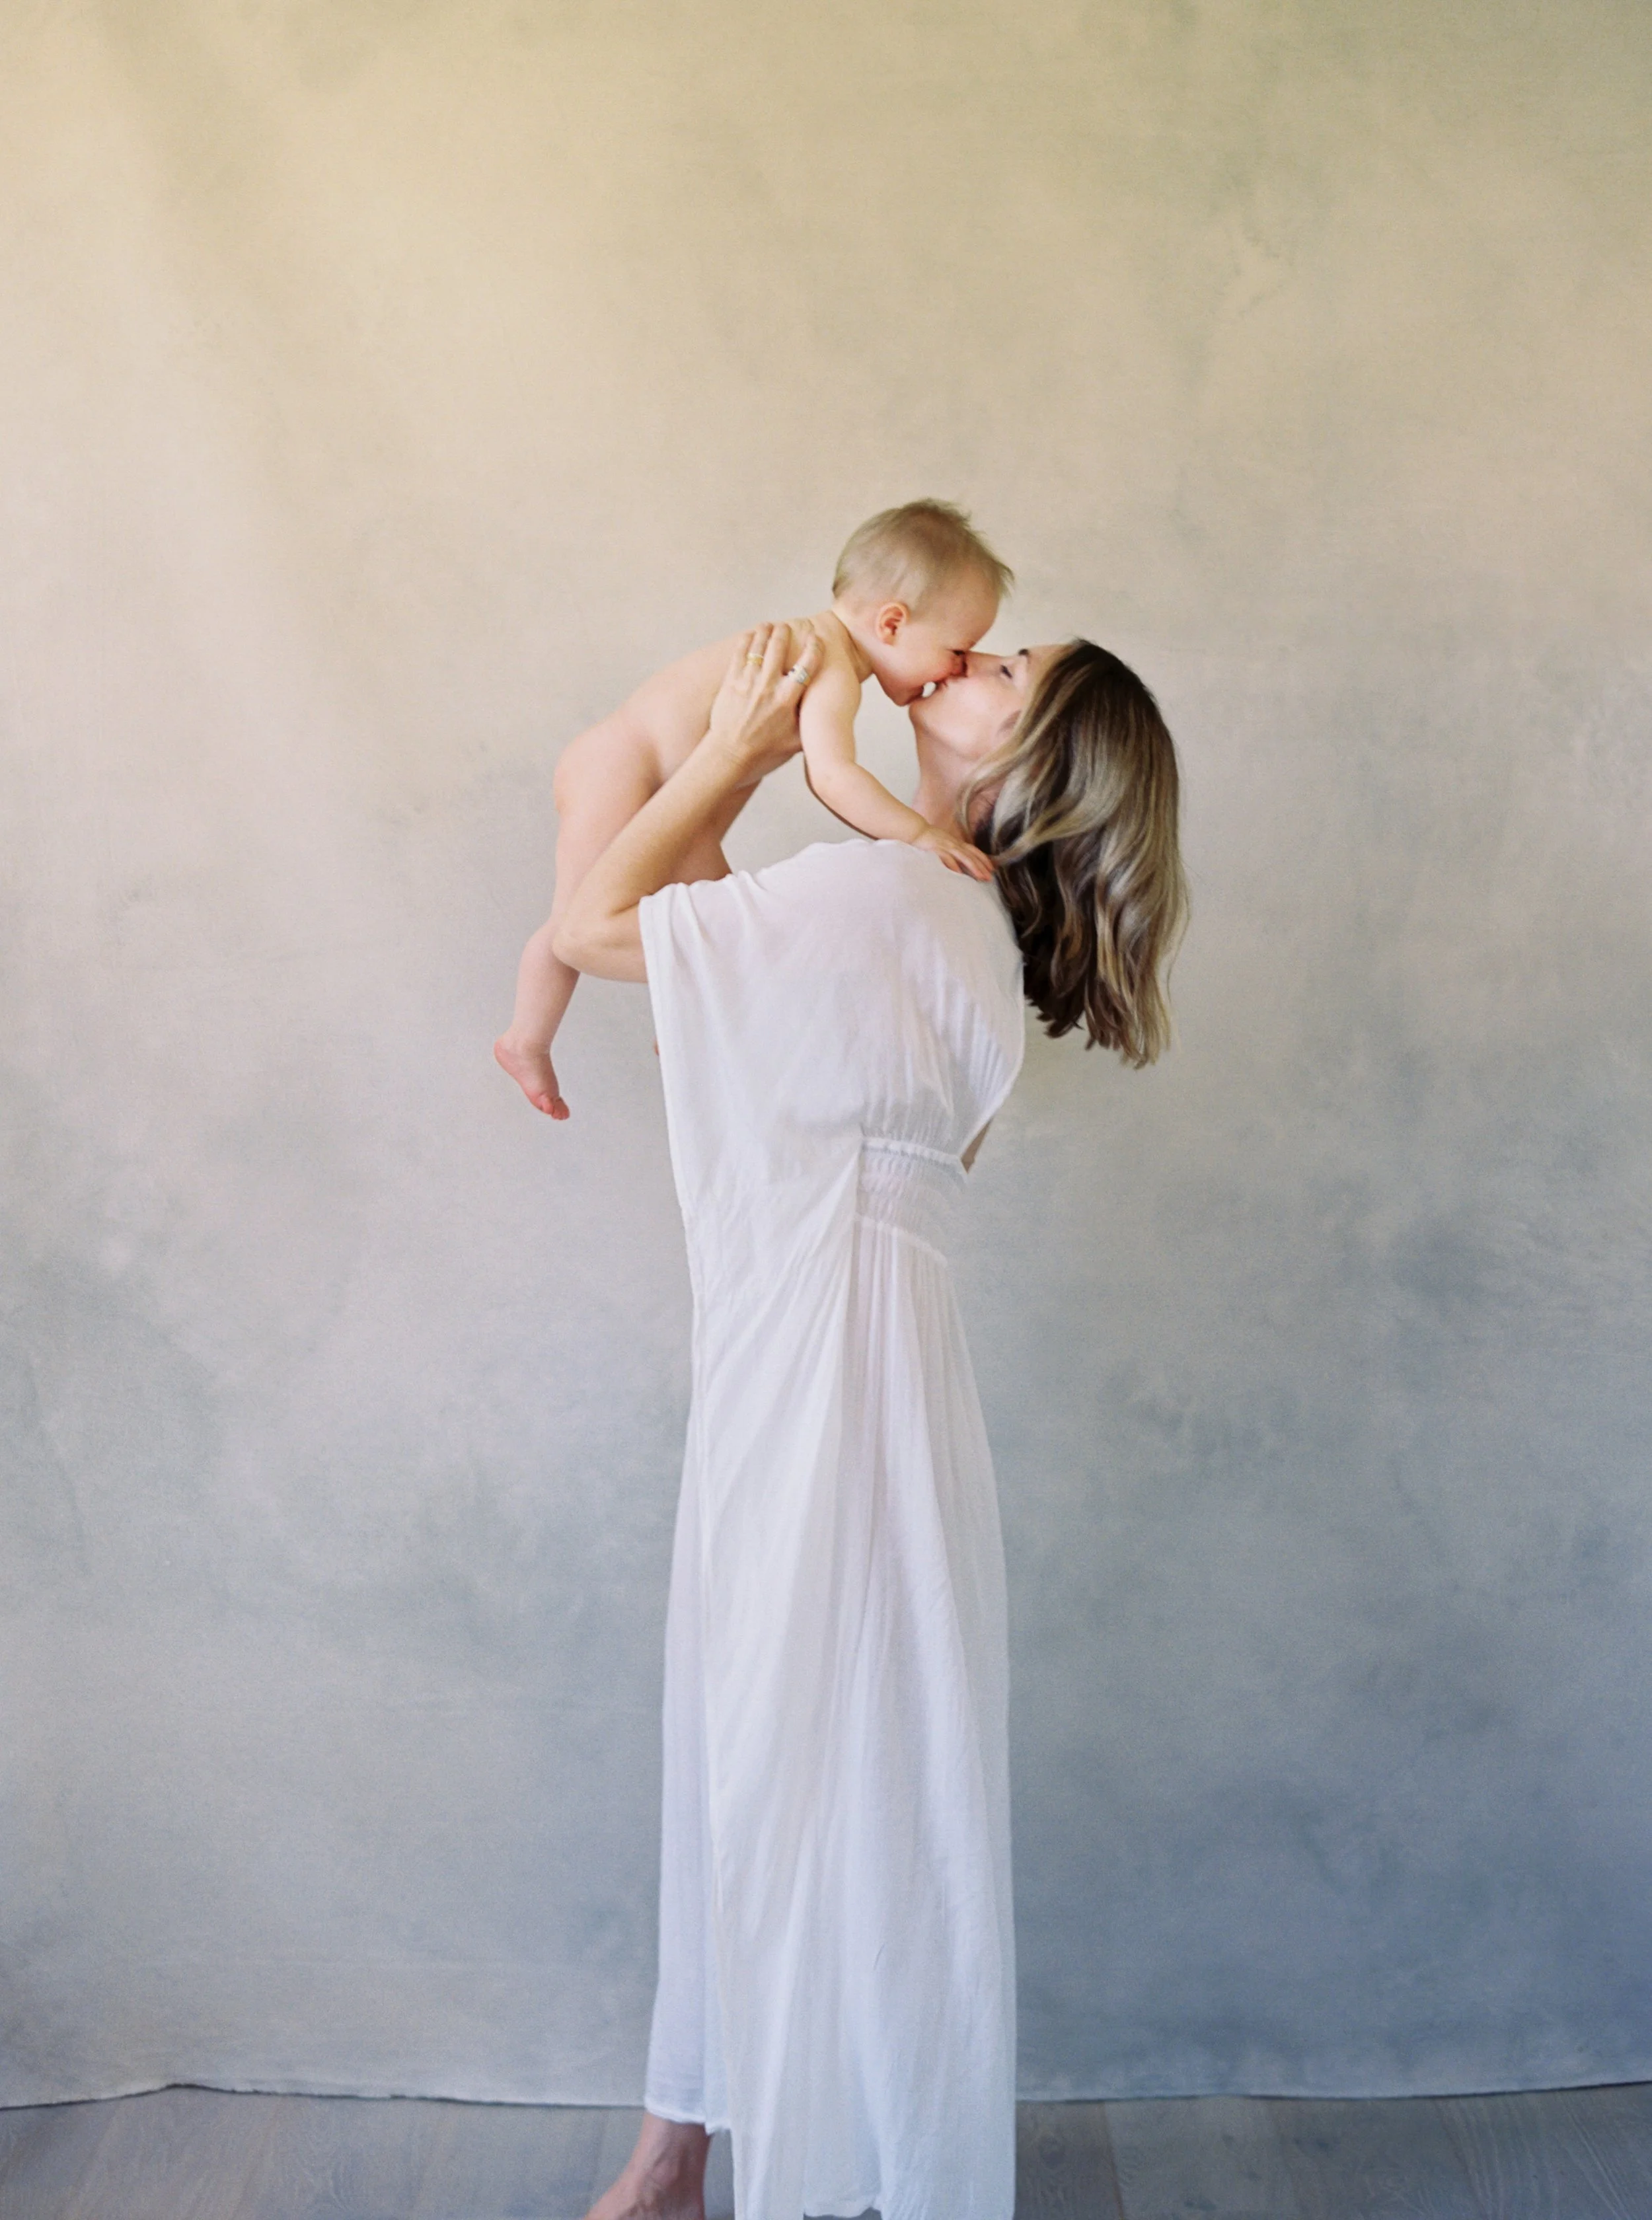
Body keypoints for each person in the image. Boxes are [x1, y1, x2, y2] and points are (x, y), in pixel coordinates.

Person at [554, 620, 1188, 2220]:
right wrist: (768, 772)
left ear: (1024, 760)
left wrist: (730, 755)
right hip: (868, 1368)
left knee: (777, 1753)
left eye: (1001, 668)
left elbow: (594, 919)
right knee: (814, 1754)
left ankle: (740, 2166)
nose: (957, 657)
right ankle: (680, 2153)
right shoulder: (948, 926)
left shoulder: (894, 892)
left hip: (812, 1371)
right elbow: (726, 956)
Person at [494, 501, 1012, 1121]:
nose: (958, 668)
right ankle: (526, 1039)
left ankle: (687, 1017)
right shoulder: (827, 664)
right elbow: (834, 777)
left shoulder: (816, 647)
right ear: (893, 623)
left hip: (651, 783)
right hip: (619, 772)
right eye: (958, 649)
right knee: (575, 925)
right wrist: (919, 832)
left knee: (713, 926)